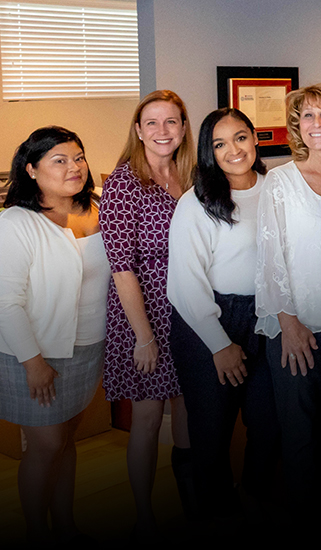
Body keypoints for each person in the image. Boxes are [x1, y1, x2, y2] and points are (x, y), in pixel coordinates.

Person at [254, 83, 321, 521]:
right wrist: (288, 322)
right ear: (297, 125)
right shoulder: (279, 181)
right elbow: (269, 257)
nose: (316, 124)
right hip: (295, 328)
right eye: (307, 116)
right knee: (298, 434)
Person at [0, 127, 107, 544]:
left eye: (78, 157)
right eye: (59, 160)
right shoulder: (16, 223)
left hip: (88, 345)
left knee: (65, 441)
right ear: (31, 170)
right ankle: (35, 530)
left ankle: (64, 523)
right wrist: (33, 363)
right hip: (38, 353)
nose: (74, 167)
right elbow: (6, 303)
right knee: (44, 445)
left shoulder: (97, 207)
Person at [168, 108, 276, 520]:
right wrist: (220, 344)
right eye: (219, 143)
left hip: (264, 317)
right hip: (209, 320)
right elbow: (185, 282)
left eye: (241, 137)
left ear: (255, 139)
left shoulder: (275, 188)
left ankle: (252, 494)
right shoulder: (197, 202)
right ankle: (214, 515)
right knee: (211, 434)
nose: (233, 149)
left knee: (269, 423)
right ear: (209, 153)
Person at [98, 89, 198, 534]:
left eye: (171, 122)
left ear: (183, 128)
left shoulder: (190, 174)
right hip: (143, 311)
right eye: (152, 123)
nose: (162, 131)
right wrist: (144, 337)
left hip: (188, 304)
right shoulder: (123, 182)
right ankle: (143, 513)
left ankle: (191, 499)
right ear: (138, 130)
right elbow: (121, 268)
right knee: (147, 416)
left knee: (191, 408)